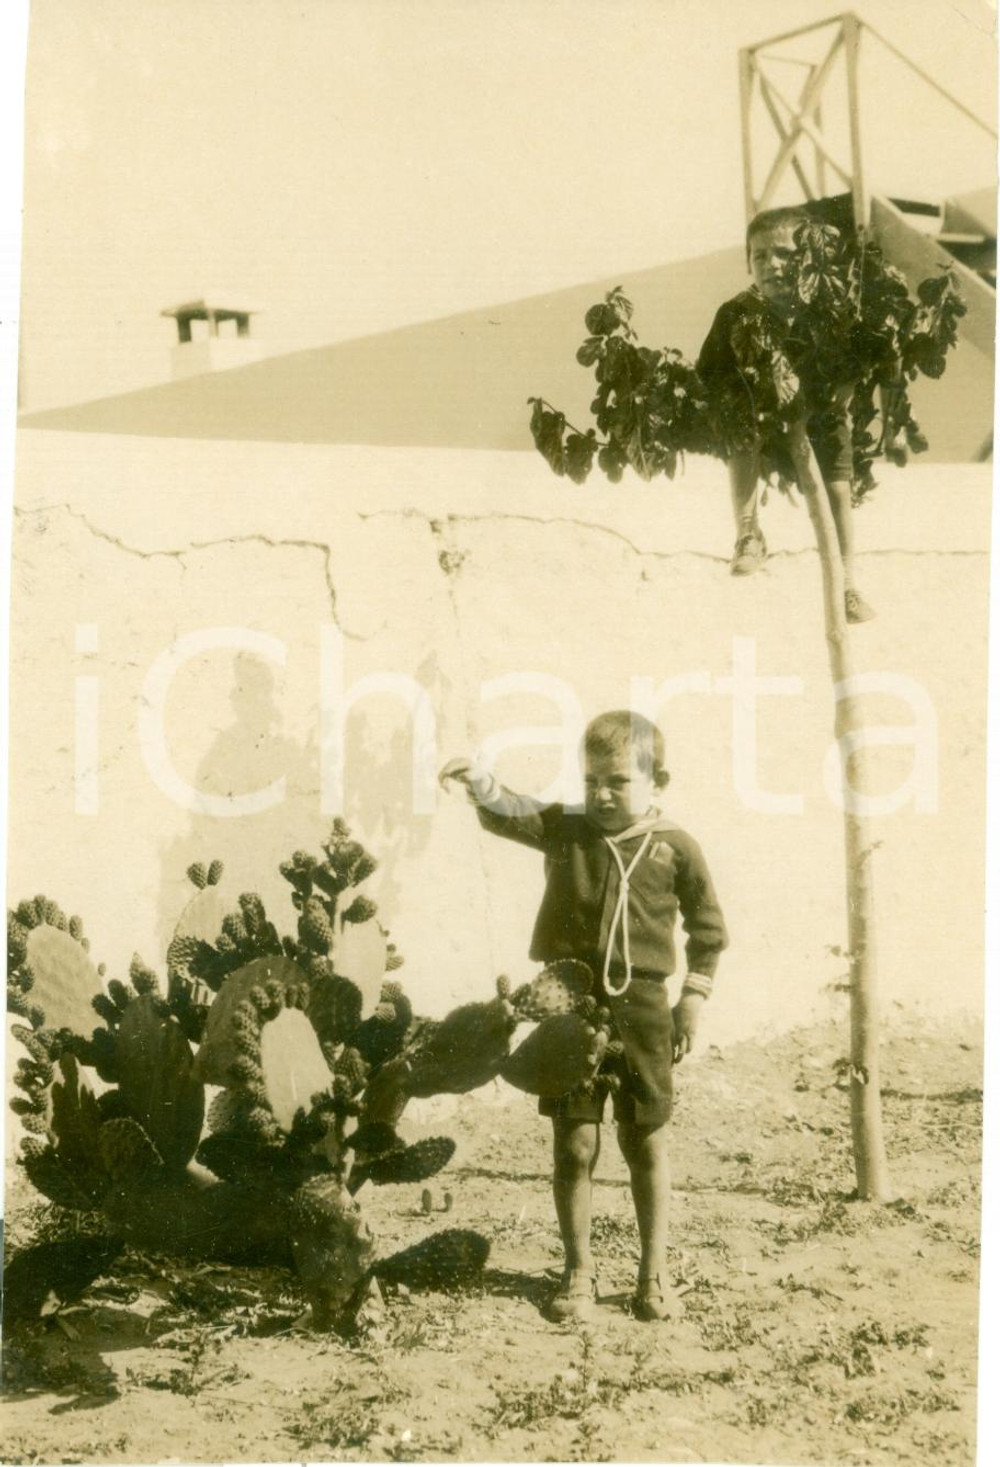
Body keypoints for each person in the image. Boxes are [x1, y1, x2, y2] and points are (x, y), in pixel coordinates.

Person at [439, 710, 728, 1323]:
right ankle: (579, 1270)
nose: (600, 793)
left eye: (617, 781)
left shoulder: (675, 847)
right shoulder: (567, 831)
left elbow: (709, 931)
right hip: (569, 1005)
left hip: (646, 1011)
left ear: (658, 781)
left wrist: (692, 1002)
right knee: (573, 1144)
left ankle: (653, 1274)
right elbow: (514, 812)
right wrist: (481, 783)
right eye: (591, 779)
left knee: (645, 1140)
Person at [697, 205, 876, 624]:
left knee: (838, 493)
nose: (771, 265)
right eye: (759, 256)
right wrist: (737, 398)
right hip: (763, 420)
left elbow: (860, 361)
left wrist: (843, 392)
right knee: (739, 438)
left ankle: (849, 584)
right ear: (748, 263)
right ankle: (747, 532)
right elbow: (711, 371)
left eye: (783, 254)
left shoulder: (827, 309)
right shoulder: (737, 312)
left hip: (820, 418)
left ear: (807, 260)